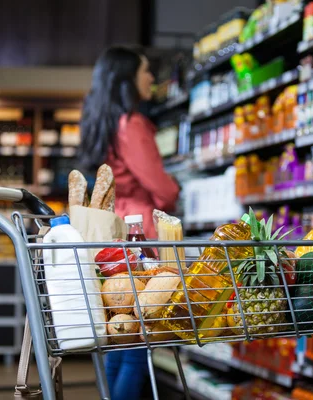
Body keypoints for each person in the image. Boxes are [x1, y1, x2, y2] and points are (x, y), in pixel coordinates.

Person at [77, 46, 180, 399]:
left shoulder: (104, 123)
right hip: (140, 237)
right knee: (138, 342)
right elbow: (162, 189)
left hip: (112, 233)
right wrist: (175, 191)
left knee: (119, 333)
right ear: (127, 79)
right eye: (146, 71)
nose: (152, 78)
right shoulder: (131, 124)